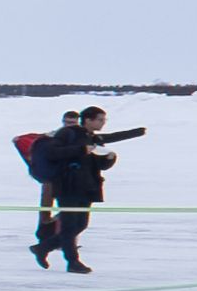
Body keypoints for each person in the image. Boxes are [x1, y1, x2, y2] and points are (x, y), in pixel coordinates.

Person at [27, 103, 140, 271]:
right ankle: (72, 262)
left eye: (104, 119)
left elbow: (97, 165)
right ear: (88, 120)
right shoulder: (68, 133)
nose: (103, 123)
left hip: (86, 187)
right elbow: (53, 153)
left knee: (80, 225)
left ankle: (42, 248)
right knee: (69, 226)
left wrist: (109, 159)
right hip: (68, 186)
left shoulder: (92, 137)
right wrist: (81, 149)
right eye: (100, 120)